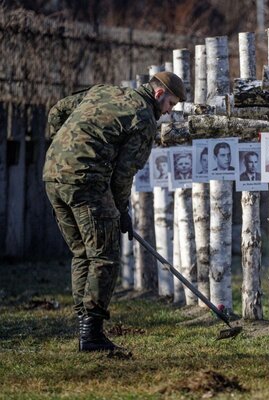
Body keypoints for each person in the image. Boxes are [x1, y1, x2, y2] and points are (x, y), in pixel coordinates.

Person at [43, 71, 186, 352]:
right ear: (159, 95)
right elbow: (123, 174)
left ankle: (86, 329)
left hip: (52, 174)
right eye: (171, 105)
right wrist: (122, 211)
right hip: (87, 180)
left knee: (83, 252)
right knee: (104, 256)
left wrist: (63, 145)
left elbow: (57, 110)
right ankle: (92, 334)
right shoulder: (144, 119)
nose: (169, 113)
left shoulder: (104, 90)